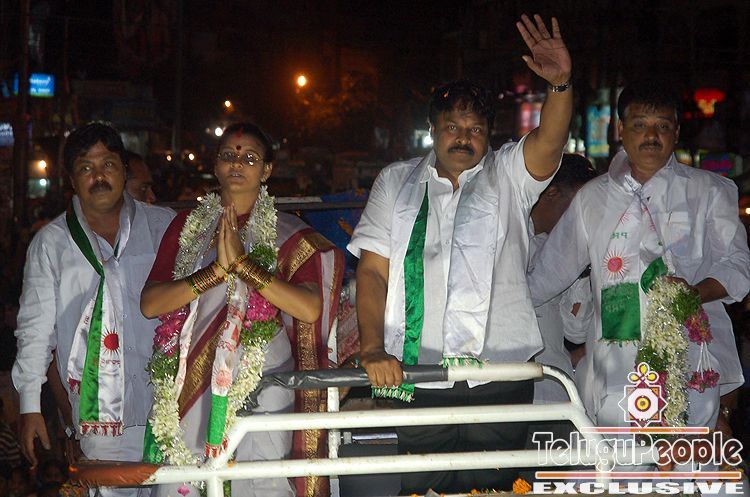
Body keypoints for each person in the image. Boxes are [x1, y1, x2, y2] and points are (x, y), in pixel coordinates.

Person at [348, 14, 572, 494]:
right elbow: (373, 273)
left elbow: (549, 142)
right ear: (432, 129)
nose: (463, 137)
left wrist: (559, 86)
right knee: (422, 484)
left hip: (501, 371)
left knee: (494, 485)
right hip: (416, 370)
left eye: (475, 128)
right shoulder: (396, 181)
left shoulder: (509, 174)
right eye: (452, 126)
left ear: (489, 134)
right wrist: (371, 348)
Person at [528, 80, 750, 448]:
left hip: (689, 370)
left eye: (662, 125)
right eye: (639, 125)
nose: (651, 136)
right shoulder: (593, 198)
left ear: (676, 132)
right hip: (613, 375)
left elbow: (739, 267)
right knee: (620, 471)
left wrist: (695, 292)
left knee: (686, 468)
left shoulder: (709, 191)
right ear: (620, 130)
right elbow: (546, 278)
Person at [140, 122, 343, 497]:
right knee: (187, 478)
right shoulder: (186, 226)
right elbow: (151, 304)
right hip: (190, 389)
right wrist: (215, 273)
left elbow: (309, 308)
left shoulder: (287, 232)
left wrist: (245, 268)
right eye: (228, 156)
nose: (237, 164)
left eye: (250, 158)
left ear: (266, 170)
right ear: (215, 166)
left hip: (261, 387)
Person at [12, 122, 175, 497]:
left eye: (108, 165)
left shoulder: (164, 226)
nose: (99, 176)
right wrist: (30, 407)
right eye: (86, 167)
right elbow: (35, 332)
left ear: (124, 171)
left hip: (170, 407)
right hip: (101, 421)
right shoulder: (51, 244)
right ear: (71, 180)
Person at [527, 153, 596, 406]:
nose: (583, 218)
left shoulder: (562, 251)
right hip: (511, 391)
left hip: (556, 391)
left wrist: (582, 272)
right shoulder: (508, 241)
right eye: (578, 207)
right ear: (552, 193)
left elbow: (576, 331)